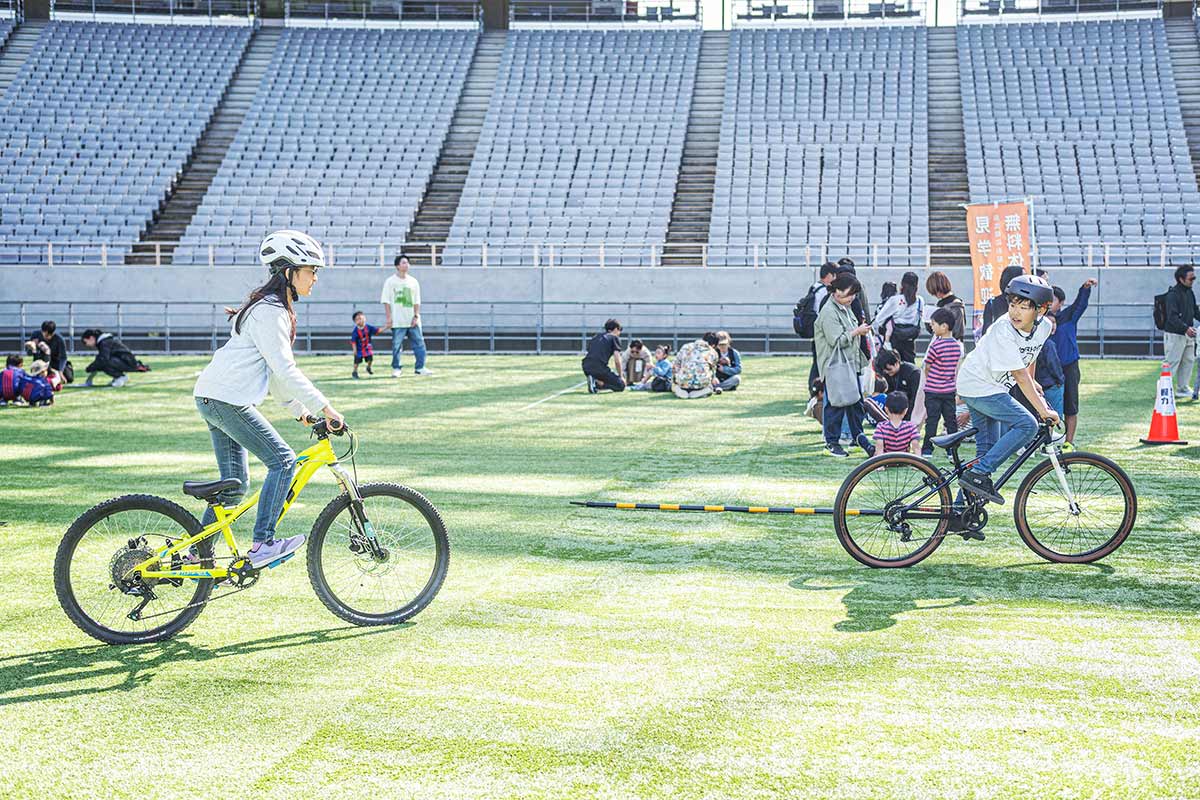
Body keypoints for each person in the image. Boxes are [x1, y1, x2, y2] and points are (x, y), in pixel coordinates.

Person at [193, 230, 344, 569]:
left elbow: (274, 375)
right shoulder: (270, 311)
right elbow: (286, 370)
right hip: (226, 400)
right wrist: (326, 408)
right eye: (311, 270)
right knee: (284, 461)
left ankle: (196, 552)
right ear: (289, 273)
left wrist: (301, 413)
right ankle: (263, 543)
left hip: (214, 397)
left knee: (234, 487)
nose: (315, 278)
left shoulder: (272, 309)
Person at [956, 274, 1060, 505]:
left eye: (1024, 307)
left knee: (987, 450)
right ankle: (978, 474)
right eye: (1013, 305)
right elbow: (1020, 376)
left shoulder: (1044, 327)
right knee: (1027, 424)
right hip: (979, 385)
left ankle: (958, 511)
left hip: (989, 386)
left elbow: (1029, 357)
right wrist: (1043, 410)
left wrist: (1033, 383)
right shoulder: (1004, 329)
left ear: (1041, 311)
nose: (1015, 312)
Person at [815, 272, 872, 457]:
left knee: (855, 402)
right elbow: (836, 340)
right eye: (850, 294)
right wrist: (857, 332)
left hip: (849, 363)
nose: (852, 298)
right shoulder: (829, 311)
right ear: (837, 291)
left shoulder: (844, 307)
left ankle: (858, 437)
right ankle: (832, 442)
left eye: (854, 294)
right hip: (835, 366)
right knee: (835, 404)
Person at [1049, 278, 1097, 441]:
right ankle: (1046, 441)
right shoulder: (1038, 320)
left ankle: (1068, 442)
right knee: (1045, 407)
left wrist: (1085, 288)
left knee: (1070, 406)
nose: (1048, 303)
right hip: (1047, 370)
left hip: (1069, 367)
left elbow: (1080, 304)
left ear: (1061, 302)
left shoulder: (1069, 316)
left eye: (1053, 299)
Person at [920, 307, 963, 456]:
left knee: (932, 420)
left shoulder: (935, 345)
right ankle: (953, 450)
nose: (932, 327)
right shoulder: (957, 346)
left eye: (933, 324)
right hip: (949, 390)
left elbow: (927, 366)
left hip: (933, 390)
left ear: (944, 326)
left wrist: (931, 379)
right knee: (950, 421)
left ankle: (927, 449)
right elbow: (956, 368)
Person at [381, 254, 430, 377]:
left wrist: (416, 316)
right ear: (397, 266)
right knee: (396, 345)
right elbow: (386, 301)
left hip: (412, 320)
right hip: (398, 320)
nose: (406, 265)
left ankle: (420, 367)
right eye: (403, 263)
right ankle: (396, 368)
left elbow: (417, 301)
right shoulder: (390, 281)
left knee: (419, 343)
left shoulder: (413, 281)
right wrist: (389, 318)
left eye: (407, 263)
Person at [1162, 265, 1198, 399]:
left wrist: (1188, 329)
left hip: (1188, 333)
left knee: (1188, 361)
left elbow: (1195, 311)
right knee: (1172, 362)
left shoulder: (1189, 292)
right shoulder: (1173, 295)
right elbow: (1172, 317)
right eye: (1191, 278)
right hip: (1175, 334)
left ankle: (1182, 388)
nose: (1193, 280)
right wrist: (1185, 328)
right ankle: (1164, 390)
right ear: (1181, 279)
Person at [873, 271, 925, 364]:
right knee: (909, 365)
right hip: (910, 338)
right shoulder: (920, 300)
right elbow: (920, 317)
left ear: (902, 284)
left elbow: (879, 319)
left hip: (895, 337)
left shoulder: (895, 300)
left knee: (894, 364)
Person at [806, 261, 840, 400]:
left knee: (817, 362)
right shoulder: (823, 291)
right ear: (829, 275)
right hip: (822, 333)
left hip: (815, 333)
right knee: (820, 364)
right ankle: (817, 392)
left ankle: (815, 391)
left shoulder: (814, 288)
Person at [80, 328, 146, 387]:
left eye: (85, 342)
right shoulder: (104, 342)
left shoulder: (104, 342)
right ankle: (117, 377)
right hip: (126, 361)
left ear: (91, 338)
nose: (86, 345)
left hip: (128, 362)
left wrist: (90, 368)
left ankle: (120, 377)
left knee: (102, 362)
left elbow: (103, 359)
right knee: (100, 361)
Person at [873, 348, 920, 421]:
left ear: (896, 363)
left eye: (889, 369)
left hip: (911, 408)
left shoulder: (912, 373)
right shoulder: (888, 375)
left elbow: (916, 398)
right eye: (885, 371)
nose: (887, 372)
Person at [979, 265, 1027, 337]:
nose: (1027, 282)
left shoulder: (1028, 303)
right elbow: (986, 332)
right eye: (1024, 278)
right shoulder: (993, 303)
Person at [672, 332, 721, 399]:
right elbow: (713, 373)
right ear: (713, 345)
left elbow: (675, 365)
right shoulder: (713, 352)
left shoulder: (686, 347)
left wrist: (676, 378)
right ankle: (700, 392)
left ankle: (680, 391)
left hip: (683, 382)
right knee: (709, 386)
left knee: (676, 384)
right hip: (701, 384)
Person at [582, 319, 625, 393]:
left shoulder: (595, 337)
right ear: (615, 329)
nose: (619, 333)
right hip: (599, 367)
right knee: (620, 385)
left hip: (586, 366)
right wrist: (621, 376)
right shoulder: (614, 338)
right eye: (619, 330)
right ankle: (596, 383)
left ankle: (595, 381)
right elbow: (617, 360)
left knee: (604, 376)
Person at [925, 271, 967, 341]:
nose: (934, 295)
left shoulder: (956, 305)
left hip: (952, 346)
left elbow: (957, 332)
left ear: (938, 289)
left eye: (934, 292)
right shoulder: (940, 304)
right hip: (941, 345)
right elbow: (933, 331)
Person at [349, 310, 380, 380]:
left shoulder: (368, 327)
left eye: (361, 318)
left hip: (367, 348)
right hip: (359, 350)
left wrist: (386, 327)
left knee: (370, 359)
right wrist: (354, 350)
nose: (360, 320)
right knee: (356, 361)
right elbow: (353, 341)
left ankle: (368, 367)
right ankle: (354, 372)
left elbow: (377, 330)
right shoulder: (355, 331)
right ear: (355, 322)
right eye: (358, 319)